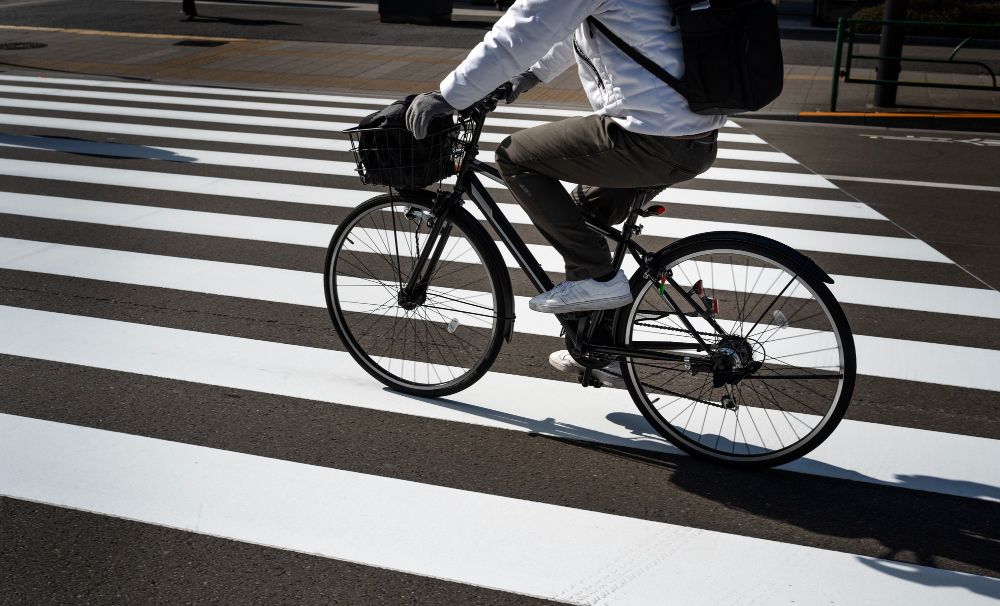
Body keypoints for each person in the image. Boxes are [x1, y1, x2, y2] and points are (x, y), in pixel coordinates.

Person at [405, 0, 725, 387]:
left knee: (514, 156)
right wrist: (531, 75)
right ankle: (601, 351)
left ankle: (597, 277)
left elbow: (522, 28)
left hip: (648, 135)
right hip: (693, 138)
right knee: (581, 216)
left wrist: (448, 97)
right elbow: (568, 23)